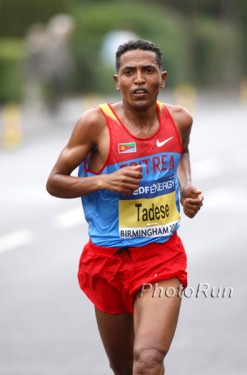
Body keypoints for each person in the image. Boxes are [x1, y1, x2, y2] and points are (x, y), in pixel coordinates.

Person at [46, 39, 203, 375]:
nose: (139, 79)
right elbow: (55, 182)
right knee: (122, 368)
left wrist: (186, 187)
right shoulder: (95, 124)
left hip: (161, 255)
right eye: (129, 72)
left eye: (148, 71)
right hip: (107, 260)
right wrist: (103, 181)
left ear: (162, 78)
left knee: (147, 361)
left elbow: (182, 151)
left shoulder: (180, 119)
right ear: (117, 81)